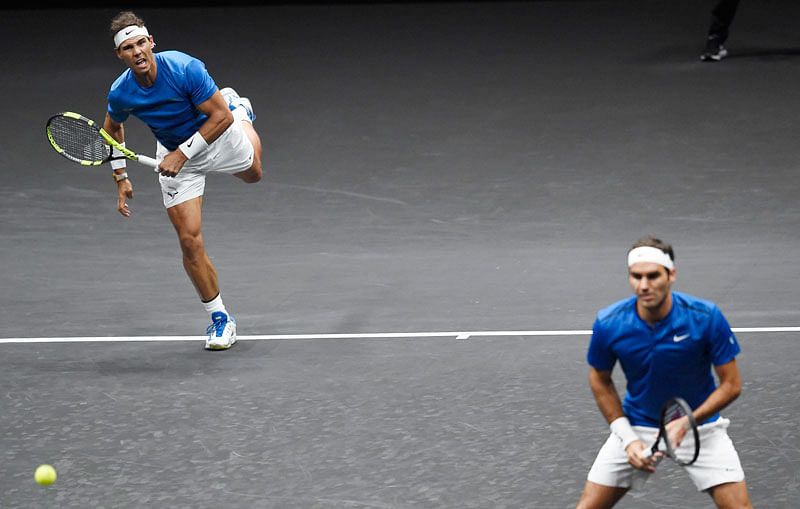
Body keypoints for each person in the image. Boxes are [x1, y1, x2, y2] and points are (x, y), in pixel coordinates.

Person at [104, 11, 263, 350]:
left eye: (141, 43)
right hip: (176, 154)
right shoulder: (120, 93)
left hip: (217, 133)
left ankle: (241, 108)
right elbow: (112, 130)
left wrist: (183, 154)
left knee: (253, 174)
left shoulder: (185, 67)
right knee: (189, 240)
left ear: (151, 43)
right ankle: (220, 318)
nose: (137, 52)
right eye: (128, 48)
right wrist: (121, 177)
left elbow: (217, 118)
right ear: (120, 55)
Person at [576, 237, 752, 508]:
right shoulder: (609, 323)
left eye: (653, 276)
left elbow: (731, 385)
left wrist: (686, 422)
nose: (644, 285)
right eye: (636, 276)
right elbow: (599, 378)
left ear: (671, 275)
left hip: (700, 427)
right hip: (636, 425)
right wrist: (628, 438)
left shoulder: (705, 317)